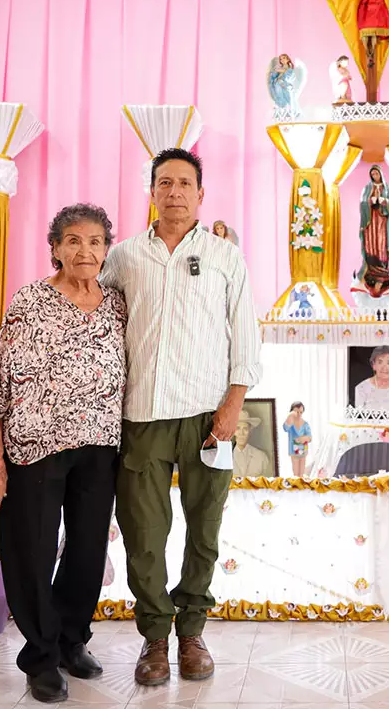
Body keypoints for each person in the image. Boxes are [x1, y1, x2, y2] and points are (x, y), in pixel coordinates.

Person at [101, 148, 262, 687]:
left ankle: (191, 633)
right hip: (141, 414)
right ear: (151, 192)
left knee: (204, 528)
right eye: (164, 183)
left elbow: (245, 335)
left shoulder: (224, 257)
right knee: (144, 532)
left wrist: (233, 404)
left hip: (208, 418)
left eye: (184, 183)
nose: (174, 192)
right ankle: (154, 638)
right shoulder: (122, 257)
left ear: (200, 194)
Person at [0, 203, 127, 704]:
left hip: (99, 447)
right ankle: (39, 657)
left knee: (87, 552)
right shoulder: (30, 301)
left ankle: (69, 640)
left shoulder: (117, 304)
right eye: (73, 241)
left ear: (107, 249)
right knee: (33, 551)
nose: (85, 250)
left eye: (95, 242)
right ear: (56, 248)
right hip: (35, 447)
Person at [358, 165, 389, 298]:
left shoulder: (387, 188)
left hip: (382, 221)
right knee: (370, 244)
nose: (375, 176)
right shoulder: (367, 188)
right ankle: (371, 269)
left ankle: (382, 268)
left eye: (376, 174)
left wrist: (384, 201)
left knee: (381, 244)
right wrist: (369, 201)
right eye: (373, 174)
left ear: (380, 174)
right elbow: (362, 202)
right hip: (370, 221)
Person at [354, 346, 389, 412]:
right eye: (380, 362)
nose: (384, 367)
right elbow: (358, 415)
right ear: (374, 365)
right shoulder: (361, 388)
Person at [231, 410, 272, 478]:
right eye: (237, 428)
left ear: (250, 431)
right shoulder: (225, 456)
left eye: (245, 429)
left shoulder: (261, 457)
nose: (241, 433)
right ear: (232, 431)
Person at [283, 402, 312, 479]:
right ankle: (296, 481)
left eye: (301, 412)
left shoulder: (305, 424)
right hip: (293, 450)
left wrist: (304, 438)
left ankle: (301, 479)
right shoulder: (290, 424)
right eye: (296, 412)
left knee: (302, 468)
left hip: (303, 449)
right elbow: (285, 428)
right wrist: (290, 417)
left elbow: (310, 437)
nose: (298, 414)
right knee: (295, 469)